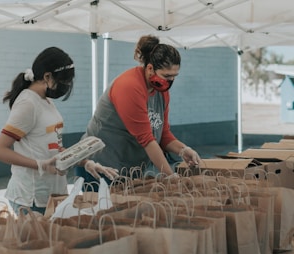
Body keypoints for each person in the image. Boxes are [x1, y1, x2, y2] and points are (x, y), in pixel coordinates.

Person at [0, 47, 117, 215]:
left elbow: (53, 148)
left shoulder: (45, 101)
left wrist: (83, 161)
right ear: (47, 77)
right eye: (64, 82)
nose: (66, 87)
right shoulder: (27, 104)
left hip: (53, 193)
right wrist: (40, 164)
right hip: (32, 197)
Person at [75, 35, 201, 188]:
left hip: (127, 170)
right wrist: (171, 176)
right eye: (166, 76)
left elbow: (163, 134)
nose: (170, 82)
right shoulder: (129, 87)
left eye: (174, 77)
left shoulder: (161, 91)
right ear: (150, 69)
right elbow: (146, 139)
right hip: (100, 167)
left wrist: (183, 150)